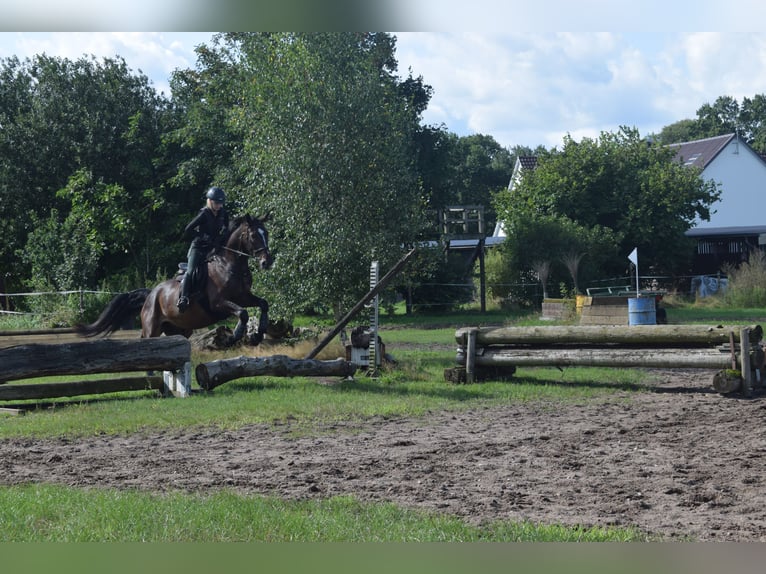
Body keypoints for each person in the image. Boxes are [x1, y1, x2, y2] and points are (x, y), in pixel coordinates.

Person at [177, 186, 230, 312]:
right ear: (210, 201)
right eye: (217, 203)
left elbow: (227, 228)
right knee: (191, 271)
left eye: (221, 203)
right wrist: (204, 236)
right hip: (198, 248)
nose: (219, 206)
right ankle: (183, 298)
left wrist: (223, 236)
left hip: (213, 249)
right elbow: (188, 229)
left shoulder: (223, 213)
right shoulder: (204, 214)